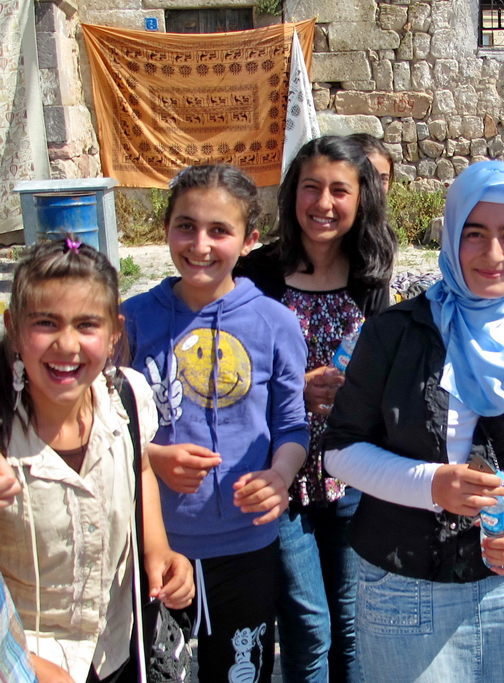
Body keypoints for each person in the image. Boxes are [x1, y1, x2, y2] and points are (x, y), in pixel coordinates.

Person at [320, 160, 504, 682]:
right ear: (450, 234)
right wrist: (432, 485)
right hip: (403, 591)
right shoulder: (395, 333)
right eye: (474, 234)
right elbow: (341, 449)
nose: (493, 256)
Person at [122, 165, 309, 683]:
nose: (200, 244)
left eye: (219, 231)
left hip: (246, 546)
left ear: (249, 241)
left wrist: (281, 476)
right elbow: (108, 426)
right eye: (186, 225)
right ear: (165, 230)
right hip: (159, 544)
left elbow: (292, 425)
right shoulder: (132, 320)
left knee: (240, 672)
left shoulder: (275, 322)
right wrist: (154, 458)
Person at [235, 135, 396, 683]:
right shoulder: (257, 274)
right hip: (279, 473)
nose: (323, 204)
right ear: (292, 194)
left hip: (350, 475)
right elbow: (231, 376)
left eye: (338, 191)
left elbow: (382, 373)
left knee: (350, 625)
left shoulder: (372, 276)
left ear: (361, 199)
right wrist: (292, 388)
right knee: (308, 627)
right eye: (311, 188)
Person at [0, 239, 194, 683]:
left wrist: (158, 550)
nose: (66, 345)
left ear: (113, 335)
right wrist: (24, 662)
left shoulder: (125, 397)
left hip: (117, 651)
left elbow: (139, 465)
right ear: (13, 328)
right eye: (45, 323)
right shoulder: (4, 435)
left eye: (86, 325)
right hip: (24, 660)